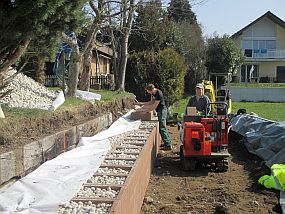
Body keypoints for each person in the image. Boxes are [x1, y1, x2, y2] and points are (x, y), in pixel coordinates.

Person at [137, 84, 172, 150]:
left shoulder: (158, 94)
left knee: (162, 128)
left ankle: (168, 145)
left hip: (162, 111)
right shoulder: (154, 93)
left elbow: (154, 106)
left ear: (151, 90)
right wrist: (141, 104)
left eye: (148, 91)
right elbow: (151, 102)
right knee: (162, 127)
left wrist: (144, 111)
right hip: (160, 111)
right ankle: (167, 142)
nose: (148, 92)